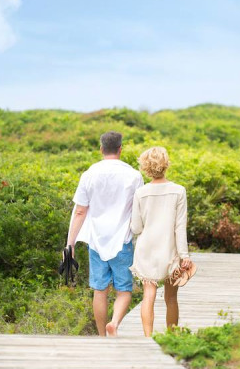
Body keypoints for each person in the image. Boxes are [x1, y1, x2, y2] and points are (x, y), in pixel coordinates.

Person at [66, 131, 143, 337]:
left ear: (101, 149)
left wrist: (70, 244)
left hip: (96, 241)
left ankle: (102, 336)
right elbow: (139, 210)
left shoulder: (89, 174)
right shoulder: (134, 175)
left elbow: (80, 211)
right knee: (124, 290)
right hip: (123, 240)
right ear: (120, 149)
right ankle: (115, 323)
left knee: (100, 291)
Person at [130, 146, 192, 337]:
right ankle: (172, 337)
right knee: (171, 298)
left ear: (145, 167)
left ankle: (148, 338)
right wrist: (185, 256)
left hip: (146, 250)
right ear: (166, 164)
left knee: (148, 295)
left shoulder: (141, 193)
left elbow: (136, 228)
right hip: (170, 251)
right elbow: (180, 228)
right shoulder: (178, 191)